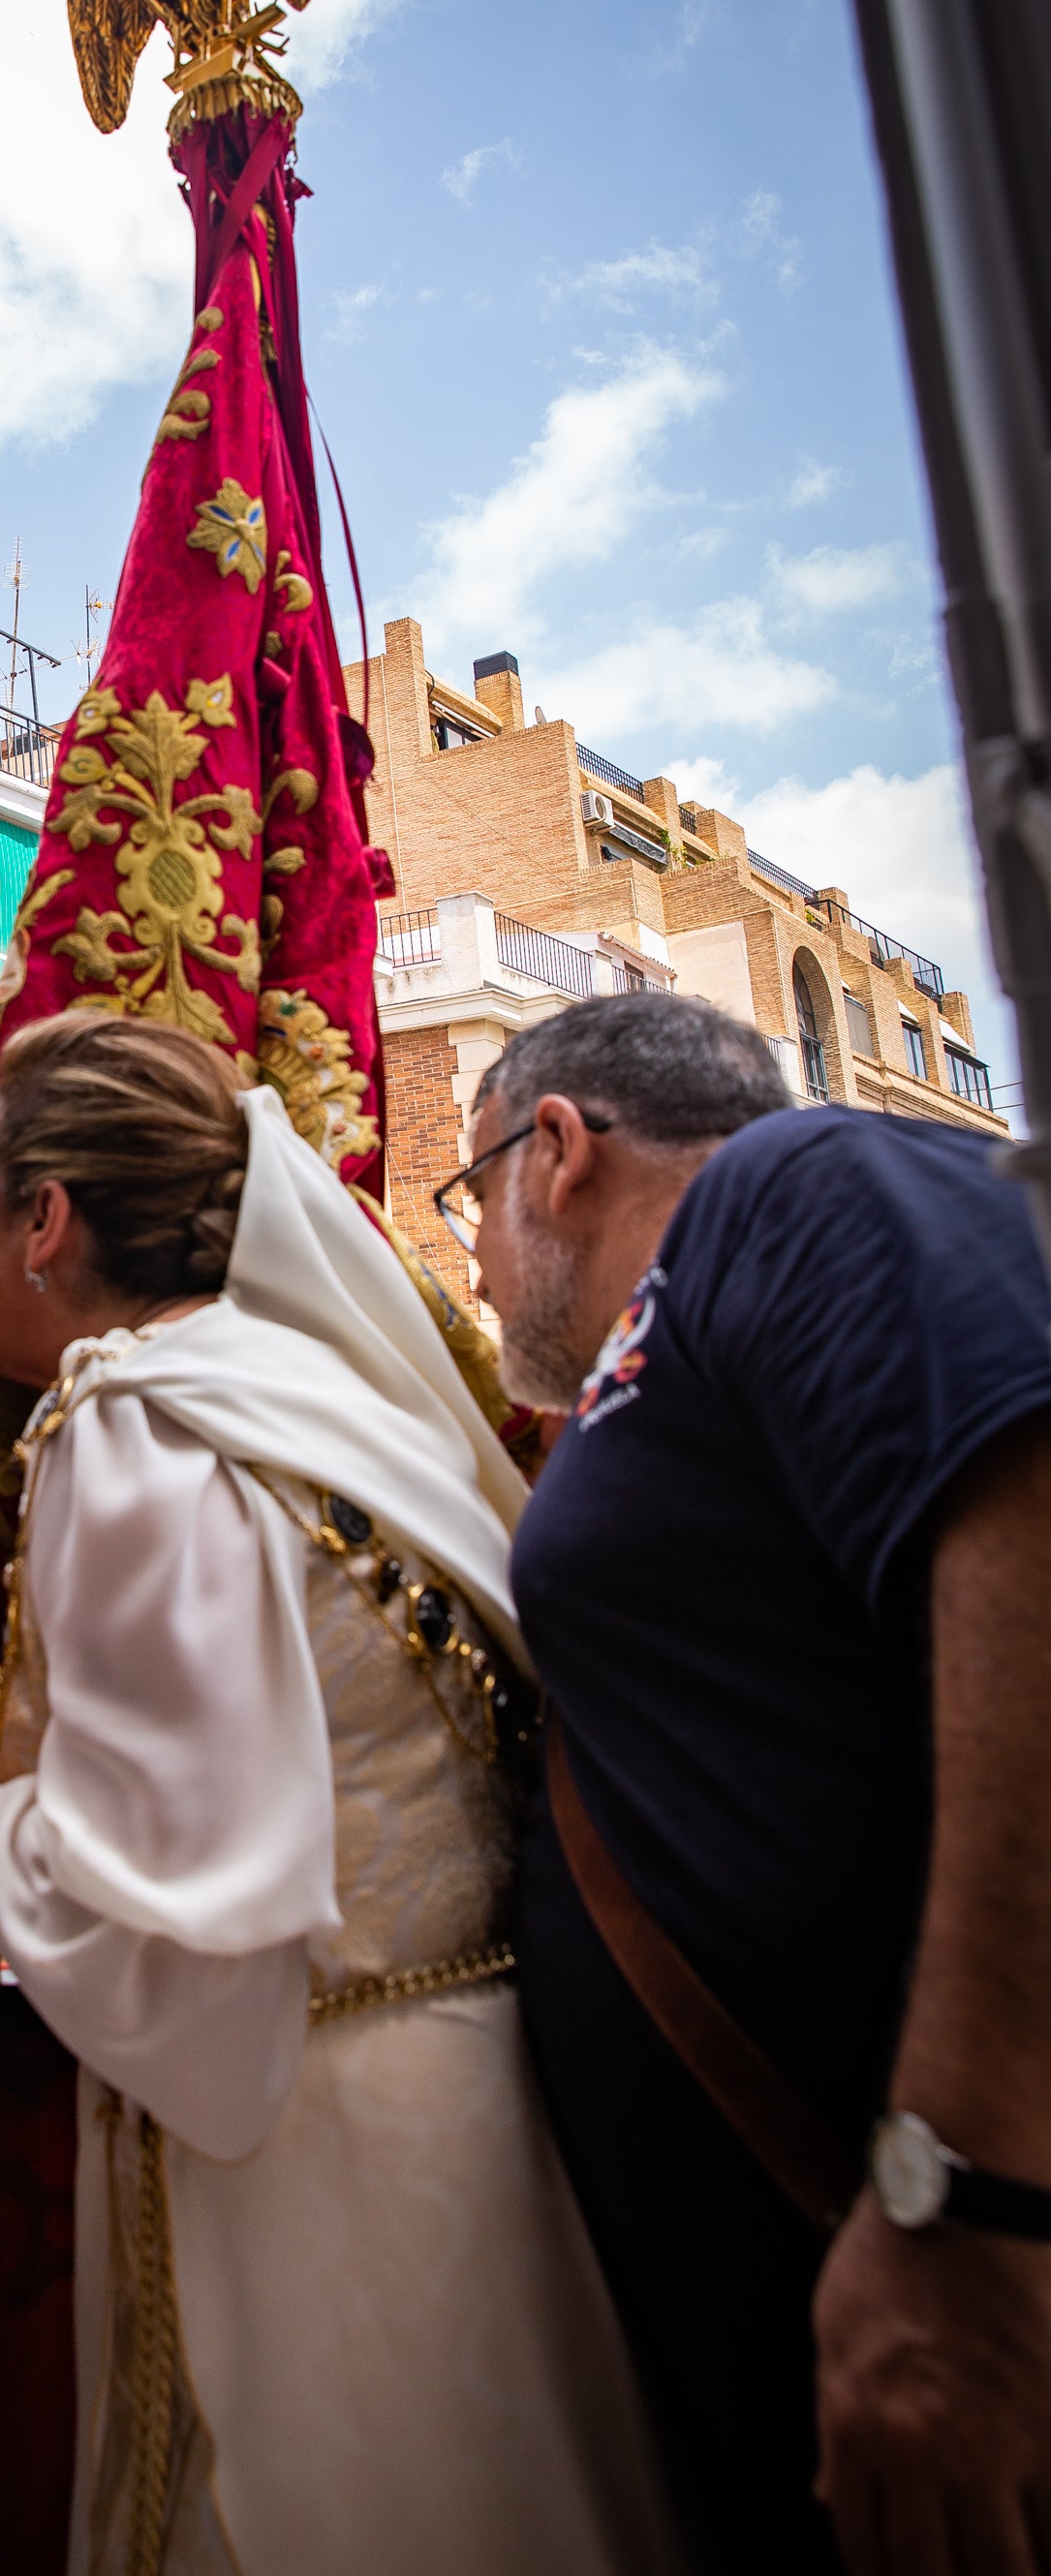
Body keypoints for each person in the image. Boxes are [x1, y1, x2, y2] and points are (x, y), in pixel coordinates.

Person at [0, 1009, 683, 2576]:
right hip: (483, 2123)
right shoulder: (329, 1399)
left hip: (310, 2161)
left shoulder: (136, 1422)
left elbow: (168, 1911)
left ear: (48, 1223)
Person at [450, 990, 1051, 2574]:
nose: (473, 1260)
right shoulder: (669, 1350)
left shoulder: (795, 1185)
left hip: (948, 2279)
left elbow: (1029, 1521)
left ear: (556, 1151)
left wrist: (965, 2193)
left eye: (470, 1200)